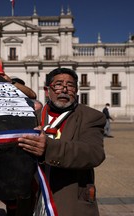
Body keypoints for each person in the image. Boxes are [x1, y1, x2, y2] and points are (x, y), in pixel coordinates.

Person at [17, 68, 106, 216]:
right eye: (58, 84)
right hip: (33, 199)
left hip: (68, 200)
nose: (64, 90)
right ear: (47, 90)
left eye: (70, 85)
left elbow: (94, 153)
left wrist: (49, 148)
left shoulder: (91, 116)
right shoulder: (31, 117)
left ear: (76, 91)